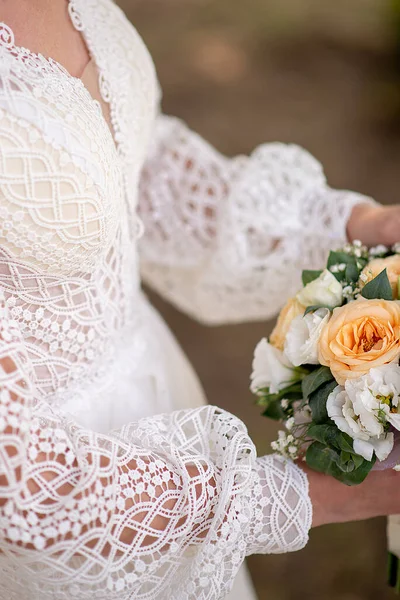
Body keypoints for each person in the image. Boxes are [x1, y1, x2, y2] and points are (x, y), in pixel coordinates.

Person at [0, 1, 400, 599]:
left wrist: (358, 225)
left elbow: (125, 165)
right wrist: (298, 497)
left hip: (151, 394)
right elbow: (21, 484)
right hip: (79, 511)